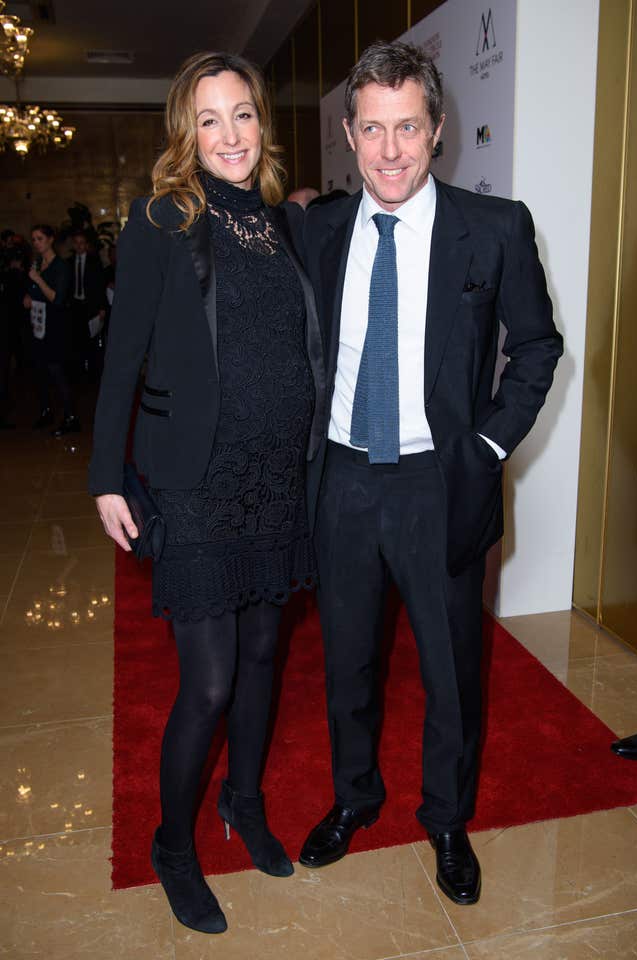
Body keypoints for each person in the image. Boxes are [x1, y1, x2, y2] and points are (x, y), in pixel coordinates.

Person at [290, 41, 563, 906]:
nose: (390, 150)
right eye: (372, 129)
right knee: (348, 662)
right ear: (349, 132)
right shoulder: (320, 230)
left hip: (438, 480)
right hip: (341, 479)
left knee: (450, 668)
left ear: (438, 129)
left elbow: (538, 348)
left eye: (408, 126)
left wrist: (485, 448)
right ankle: (354, 798)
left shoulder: (496, 228)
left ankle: (446, 819)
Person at [88, 51, 324, 935]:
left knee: (265, 659)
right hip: (195, 484)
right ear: (186, 132)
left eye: (242, 115)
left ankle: (246, 802)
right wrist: (106, 473)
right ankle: (173, 847)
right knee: (213, 681)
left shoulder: (280, 224)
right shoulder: (161, 220)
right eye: (209, 119)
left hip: (275, 480)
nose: (228, 135)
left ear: (262, 123)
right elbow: (122, 358)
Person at [24, 225, 80, 436]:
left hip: (56, 326)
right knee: (40, 370)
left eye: (39, 238)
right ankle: (46, 411)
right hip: (39, 325)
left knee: (57, 371)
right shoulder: (38, 263)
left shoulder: (61, 266)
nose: (36, 243)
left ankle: (71, 417)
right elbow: (35, 291)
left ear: (50, 240)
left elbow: (57, 299)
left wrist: (37, 280)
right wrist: (30, 297)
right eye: (34, 239)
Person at [69, 228, 107, 382]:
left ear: (86, 245)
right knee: (77, 340)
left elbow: (100, 285)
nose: (79, 246)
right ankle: (79, 371)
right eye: (76, 243)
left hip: (90, 305)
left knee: (92, 340)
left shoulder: (94, 261)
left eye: (82, 243)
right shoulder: (69, 262)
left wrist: (102, 307)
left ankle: (94, 372)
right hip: (75, 306)